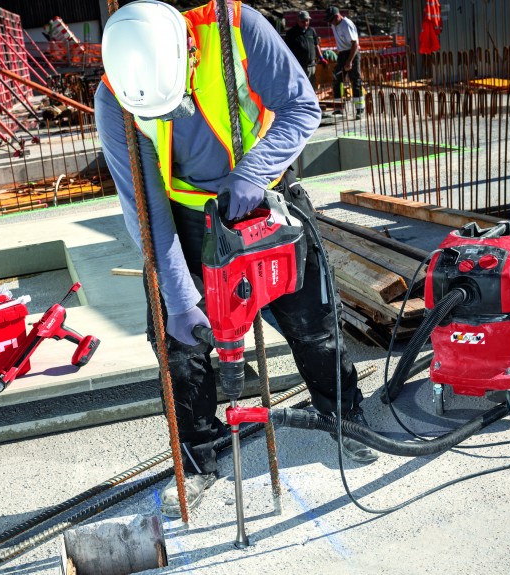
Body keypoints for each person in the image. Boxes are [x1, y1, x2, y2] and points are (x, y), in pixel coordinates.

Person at [95, 0, 377, 518]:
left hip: (266, 193)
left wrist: (255, 171)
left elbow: (301, 106)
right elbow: (147, 209)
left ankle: (344, 415)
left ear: (186, 51)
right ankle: (201, 458)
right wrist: (179, 300)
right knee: (178, 344)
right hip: (187, 217)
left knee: (313, 320)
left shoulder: (235, 28)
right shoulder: (116, 96)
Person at [326, 5, 364, 117]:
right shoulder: (334, 23)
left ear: (337, 16)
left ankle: (359, 109)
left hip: (352, 52)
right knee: (337, 78)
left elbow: (355, 44)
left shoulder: (346, 25)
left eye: (331, 19)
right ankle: (338, 108)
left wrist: (350, 61)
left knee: (355, 80)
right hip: (342, 53)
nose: (330, 22)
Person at [284, 11, 326, 85]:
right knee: (302, 87)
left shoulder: (311, 31)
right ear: (298, 21)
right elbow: (287, 50)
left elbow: (316, 45)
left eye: (307, 20)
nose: (305, 23)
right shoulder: (291, 33)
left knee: (312, 87)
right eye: (303, 21)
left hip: (312, 66)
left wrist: (321, 58)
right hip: (299, 67)